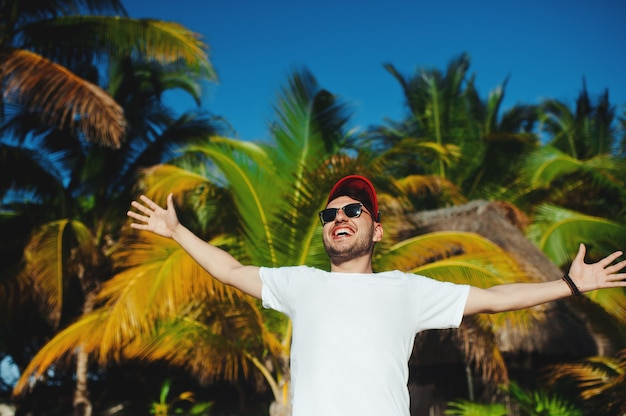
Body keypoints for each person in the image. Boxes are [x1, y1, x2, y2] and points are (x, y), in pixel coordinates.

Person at [127, 174, 626, 416]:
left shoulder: (406, 291)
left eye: (354, 211)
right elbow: (231, 269)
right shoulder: (300, 283)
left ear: (378, 231)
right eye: (331, 215)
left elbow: (494, 297)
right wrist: (176, 232)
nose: (339, 218)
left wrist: (568, 284)